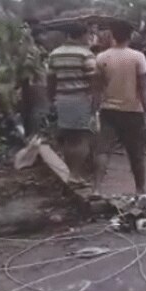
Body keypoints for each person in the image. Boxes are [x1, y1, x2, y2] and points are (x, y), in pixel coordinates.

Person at [94, 20, 146, 195]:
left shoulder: (101, 57)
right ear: (130, 36)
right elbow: (143, 86)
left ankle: (96, 189)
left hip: (108, 110)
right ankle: (140, 190)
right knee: (136, 153)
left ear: (113, 35)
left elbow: (98, 86)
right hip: (133, 110)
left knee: (103, 150)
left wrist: (95, 109)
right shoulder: (137, 57)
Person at [47, 23, 97, 184]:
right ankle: (75, 174)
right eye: (88, 34)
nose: (89, 37)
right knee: (83, 138)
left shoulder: (54, 54)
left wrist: (52, 99)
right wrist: (96, 102)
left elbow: (51, 80)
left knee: (69, 139)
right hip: (81, 99)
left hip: (62, 99)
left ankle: (71, 173)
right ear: (82, 34)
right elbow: (93, 81)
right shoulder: (85, 54)